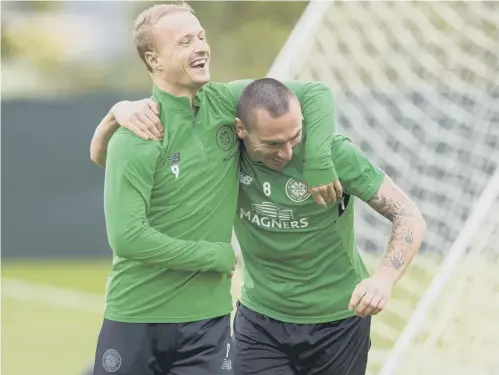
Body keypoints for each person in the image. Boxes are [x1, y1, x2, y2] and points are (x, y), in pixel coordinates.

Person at [100, 78, 427, 375]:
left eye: (294, 137)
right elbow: (114, 160)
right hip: (260, 323)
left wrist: (383, 280)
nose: (286, 152)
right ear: (241, 129)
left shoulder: (333, 154)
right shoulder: (224, 152)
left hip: (338, 321)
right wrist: (116, 114)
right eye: (272, 144)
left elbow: (408, 215)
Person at [90, 3, 343, 375]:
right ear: (153, 59)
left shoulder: (228, 103)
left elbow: (317, 93)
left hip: (209, 322)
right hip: (135, 316)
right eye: (184, 42)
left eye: (201, 37)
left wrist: (319, 162)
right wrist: (215, 256)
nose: (200, 47)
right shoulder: (137, 132)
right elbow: (128, 238)